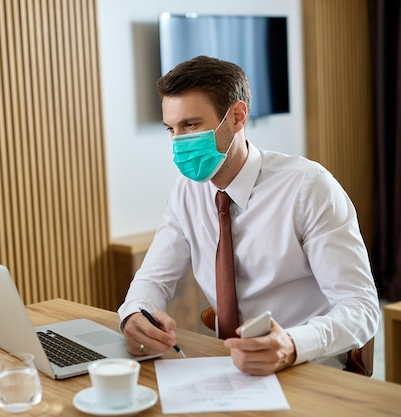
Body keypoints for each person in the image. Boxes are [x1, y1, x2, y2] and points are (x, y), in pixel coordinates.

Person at [118, 55, 380, 375]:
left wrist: (293, 345)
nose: (178, 142)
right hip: (229, 368)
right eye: (171, 128)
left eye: (190, 125)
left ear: (237, 117)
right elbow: (153, 279)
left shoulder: (308, 188)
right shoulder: (185, 192)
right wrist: (135, 314)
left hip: (308, 366)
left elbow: (362, 308)